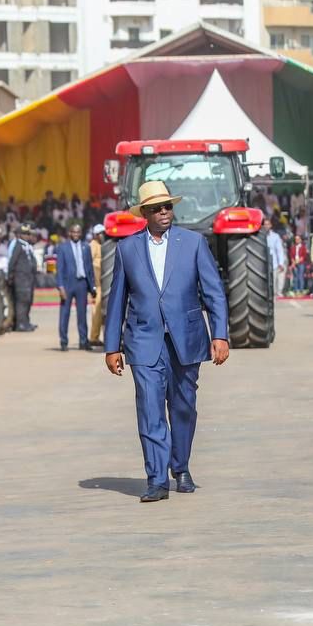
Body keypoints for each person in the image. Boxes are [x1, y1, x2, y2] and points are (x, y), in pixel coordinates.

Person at [104, 180, 229, 503]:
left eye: (168, 207)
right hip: (143, 341)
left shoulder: (193, 243)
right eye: (157, 208)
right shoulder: (127, 249)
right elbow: (116, 299)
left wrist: (220, 334)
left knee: (183, 407)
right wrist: (111, 346)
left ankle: (181, 466)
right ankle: (157, 479)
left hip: (187, 339)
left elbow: (214, 292)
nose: (164, 212)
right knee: (149, 409)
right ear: (145, 213)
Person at [55, 223, 96, 351]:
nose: (76, 234)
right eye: (73, 232)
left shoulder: (86, 247)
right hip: (68, 284)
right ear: (69, 233)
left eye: (78, 232)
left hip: (82, 283)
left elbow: (89, 268)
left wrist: (92, 286)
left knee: (82, 314)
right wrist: (60, 286)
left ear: (81, 233)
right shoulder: (62, 248)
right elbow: (59, 269)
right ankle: (63, 341)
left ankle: (83, 341)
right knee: (65, 313)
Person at [6, 224, 37, 331]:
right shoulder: (18, 245)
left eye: (28, 234)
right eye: (24, 234)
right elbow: (12, 261)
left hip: (29, 278)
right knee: (22, 301)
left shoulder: (27, 246)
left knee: (28, 300)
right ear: (19, 235)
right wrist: (10, 276)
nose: (27, 236)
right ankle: (20, 323)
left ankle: (26, 321)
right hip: (21, 277)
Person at [88, 224, 105, 349]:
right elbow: (90, 266)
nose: (102, 235)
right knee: (97, 312)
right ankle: (94, 337)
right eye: (100, 233)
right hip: (97, 285)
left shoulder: (103, 245)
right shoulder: (93, 246)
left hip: (104, 283)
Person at [263, 218, 286, 298]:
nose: (266, 226)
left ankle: (277, 292)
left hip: (274, 262)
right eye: (264, 225)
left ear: (270, 225)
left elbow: (279, 250)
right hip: (263, 262)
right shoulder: (260, 236)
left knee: (274, 279)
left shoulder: (275, 236)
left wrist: (281, 263)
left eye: (267, 224)